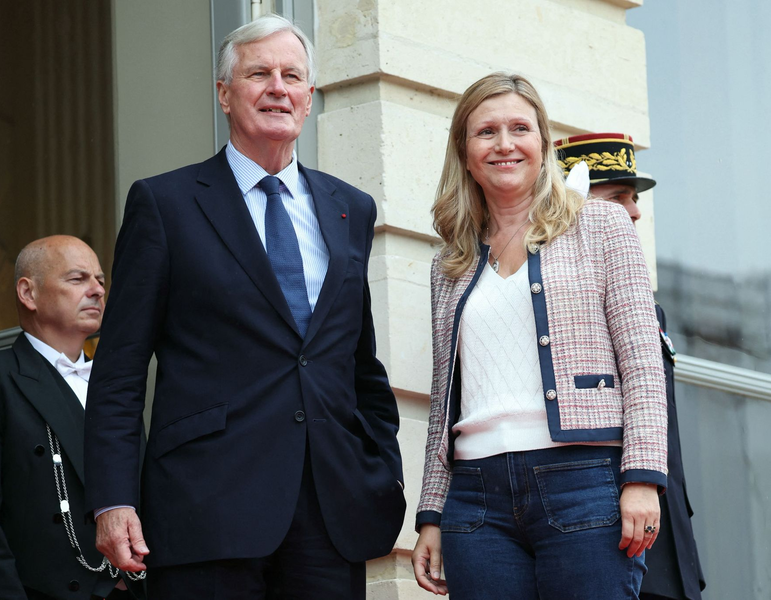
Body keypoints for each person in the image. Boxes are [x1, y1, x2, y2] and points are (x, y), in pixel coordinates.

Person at [83, 13, 405, 599]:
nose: (278, 88)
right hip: (207, 508)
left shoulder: (350, 208)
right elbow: (119, 371)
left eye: (292, 76)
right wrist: (113, 498)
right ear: (224, 94)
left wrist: (382, 469)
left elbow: (359, 364)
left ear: (309, 97)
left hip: (330, 511)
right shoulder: (165, 204)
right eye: (259, 74)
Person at [410, 73, 668, 599]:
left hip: (584, 481)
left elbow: (642, 363)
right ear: (464, 153)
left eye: (520, 128)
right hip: (475, 499)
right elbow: (444, 401)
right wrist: (432, 513)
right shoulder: (450, 264)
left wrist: (643, 477)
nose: (504, 144)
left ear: (544, 144)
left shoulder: (602, 225)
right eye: (486, 132)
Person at [555, 133, 706, 600]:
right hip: (603, 531)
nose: (635, 212)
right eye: (618, 197)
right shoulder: (562, 307)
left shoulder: (646, 307)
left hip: (661, 531)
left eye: (634, 198)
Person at [0, 235, 144, 600]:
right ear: (28, 293)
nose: (98, 290)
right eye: (78, 278)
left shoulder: (115, 385)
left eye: (100, 280)